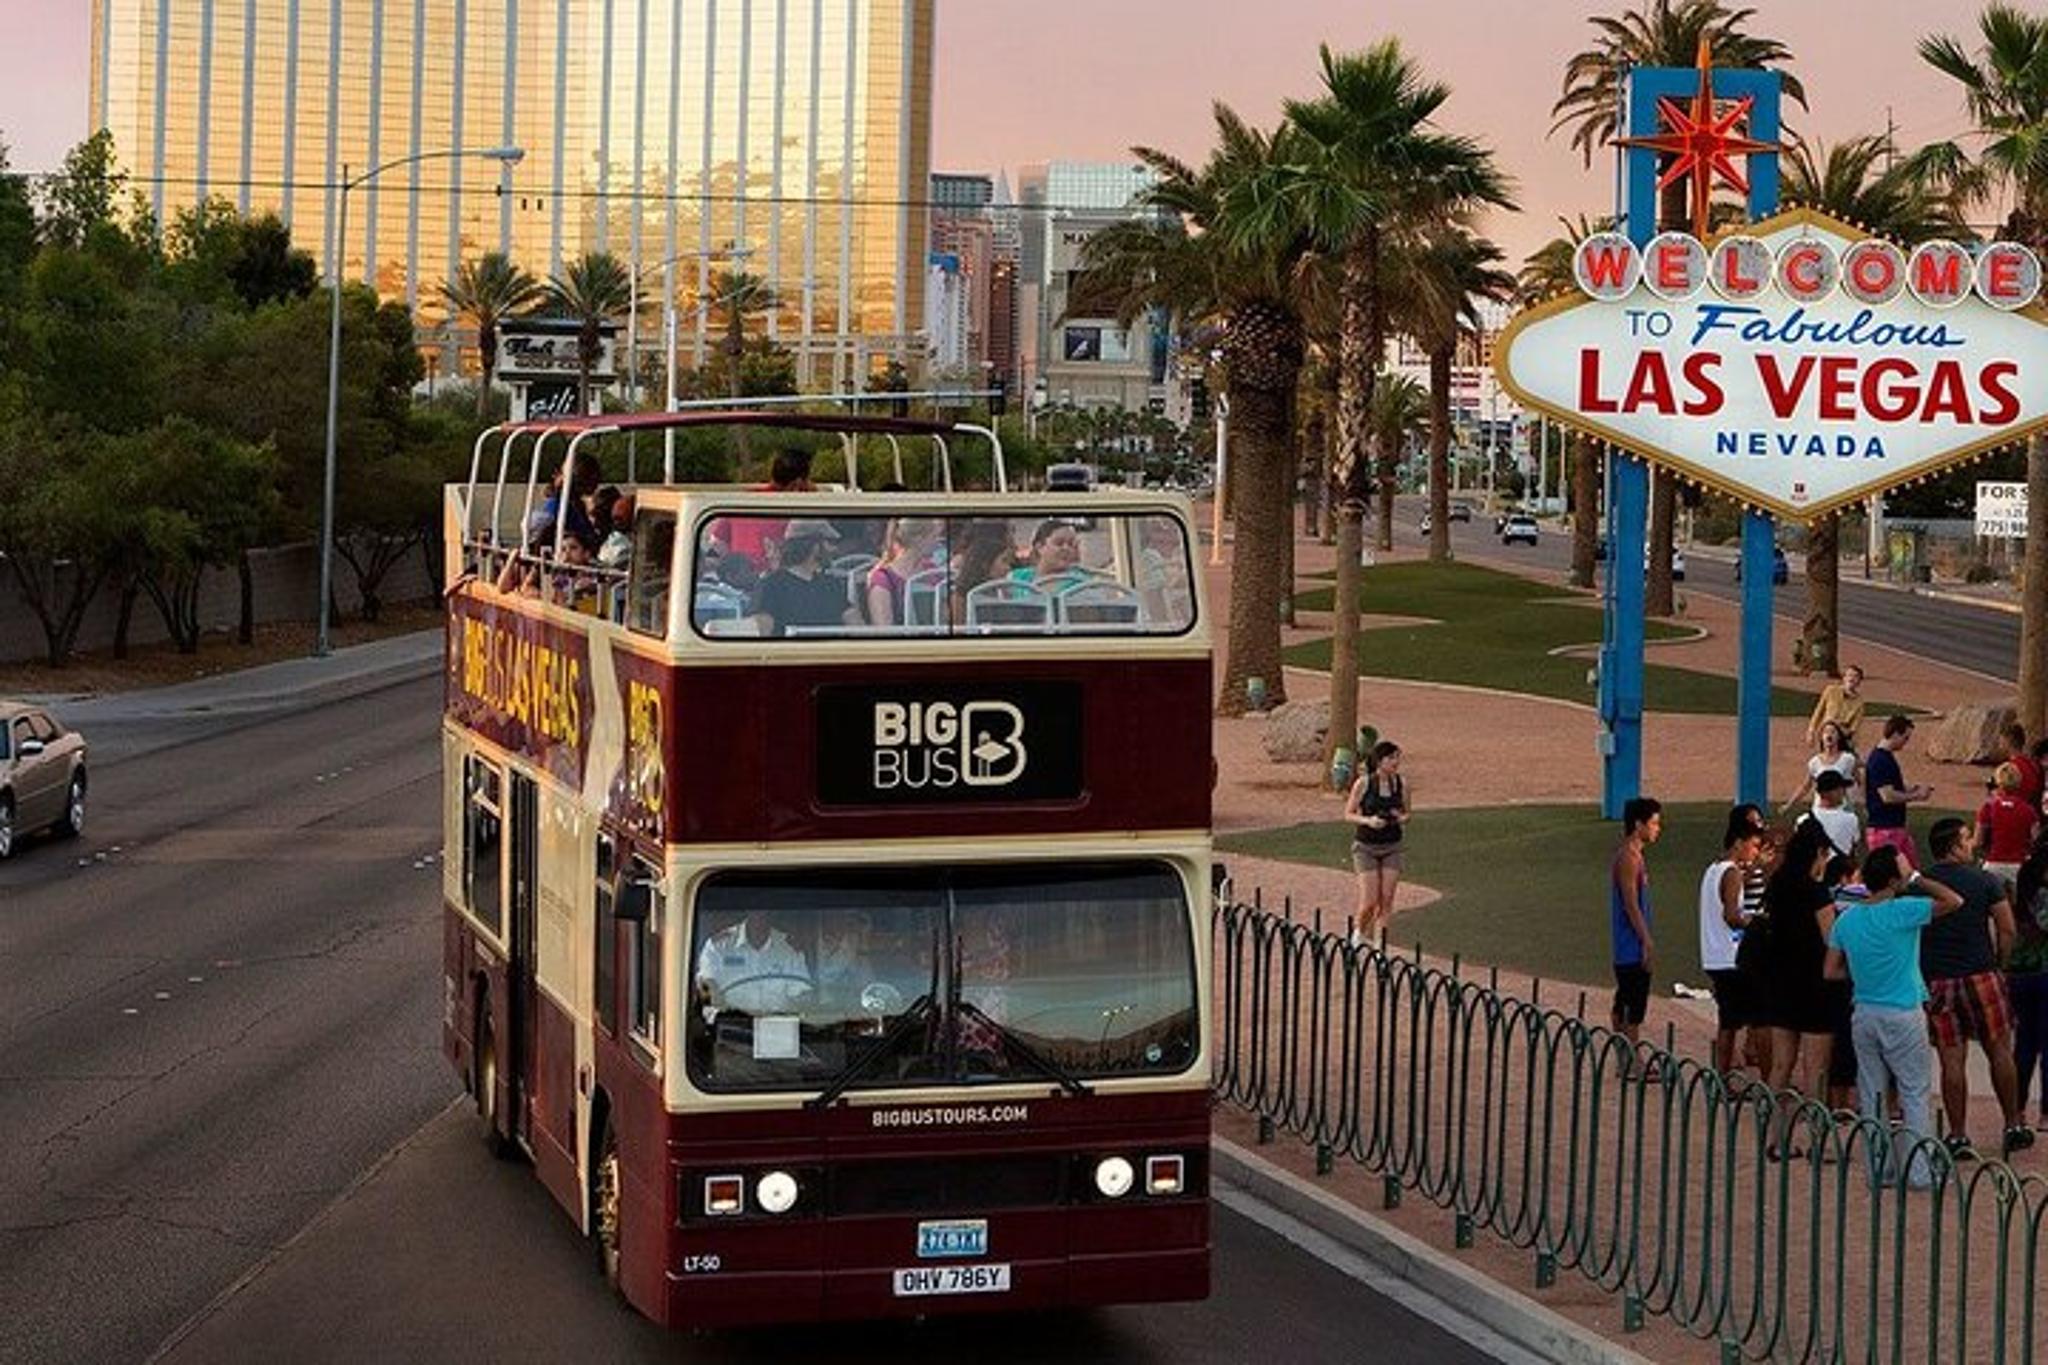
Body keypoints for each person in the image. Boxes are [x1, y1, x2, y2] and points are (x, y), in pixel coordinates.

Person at [1826, 846, 1964, 1189]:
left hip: (1865, 1012)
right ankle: (1919, 1172)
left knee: (1871, 1091)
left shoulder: (1847, 918)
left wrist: (1862, 975)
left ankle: (1879, 1168)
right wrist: (1917, 879)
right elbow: (1953, 901)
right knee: (1914, 1091)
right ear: (1893, 878)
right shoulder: (1905, 910)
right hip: (1903, 1011)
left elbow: (1830, 971)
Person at [1919, 817, 2034, 1160]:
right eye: (1967, 838)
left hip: (1938, 978)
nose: (1973, 843)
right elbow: (2007, 927)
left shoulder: (1922, 884)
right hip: (1981, 973)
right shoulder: (1985, 881)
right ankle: (2013, 1123)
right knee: (1999, 1049)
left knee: (1951, 1059)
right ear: (1954, 845)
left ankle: (1957, 1134)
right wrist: (2001, 962)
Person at [1762, 821, 1847, 1156]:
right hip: (1814, 983)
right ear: (1817, 854)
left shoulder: (1777, 885)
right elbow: (1832, 938)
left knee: (1781, 1064)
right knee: (1816, 1068)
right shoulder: (1816, 892)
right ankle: (1817, 1141)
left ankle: (1775, 1138)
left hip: (1781, 980)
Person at [1699, 807, 1767, 1076]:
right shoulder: (1732, 873)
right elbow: (1732, 916)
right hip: (1733, 957)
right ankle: (1769, 1081)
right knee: (1761, 1019)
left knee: (1728, 1023)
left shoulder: (1712, 870)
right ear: (1739, 842)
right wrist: (1758, 922)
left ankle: (1722, 1077)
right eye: (1752, 846)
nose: (1754, 852)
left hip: (1714, 956)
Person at [1345, 741, 1411, 945]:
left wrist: (1399, 817)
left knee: (1387, 898)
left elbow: (1408, 813)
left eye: (1397, 757)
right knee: (1370, 900)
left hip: (1392, 845)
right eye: (1391, 758)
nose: (1395, 762)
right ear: (1379, 761)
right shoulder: (1364, 783)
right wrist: (1369, 821)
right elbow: (1348, 814)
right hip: (1366, 847)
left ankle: (1380, 944)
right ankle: (1358, 933)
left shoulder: (1401, 784)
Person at [1610, 797, 1663, 1051]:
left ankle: (1625, 1056)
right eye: (1653, 823)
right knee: (1633, 1004)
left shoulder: (1634, 857)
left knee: (1625, 1000)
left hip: (1628, 943)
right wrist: (1646, 940)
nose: (1657, 829)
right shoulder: (1629, 859)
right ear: (1638, 824)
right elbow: (1631, 904)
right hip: (1630, 944)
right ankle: (1632, 1058)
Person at [749, 519, 857, 637]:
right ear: (815, 546)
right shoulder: (770, 586)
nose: (833, 549)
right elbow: (761, 635)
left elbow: (858, 629)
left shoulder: (833, 585)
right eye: (829, 542)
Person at [695, 910, 814, 1015]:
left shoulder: (789, 948)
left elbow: (801, 995)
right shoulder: (719, 946)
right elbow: (706, 987)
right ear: (747, 910)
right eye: (756, 908)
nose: (761, 914)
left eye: (766, 910)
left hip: (778, 1029)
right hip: (730, 1027)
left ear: (772, 913)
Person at [2009, 840, 2048, 1133]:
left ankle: (2017, 1108)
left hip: (2020, 976)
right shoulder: (2043, 897)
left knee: (2024, 1045)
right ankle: (2046, 1113)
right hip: (2044, 973)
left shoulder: (2019, 897)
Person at [1864, 715, 1933, 870]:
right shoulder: (1880, 760)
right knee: (1894, 874)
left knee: (1912, 873)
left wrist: (1913, 788)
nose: (1905, 742)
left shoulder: (1885, 757)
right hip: (1884, 829)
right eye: (1905, 737)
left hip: (1894, 827)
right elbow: (1887, 796)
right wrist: (1917, 796)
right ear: (1895, 734)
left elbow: (1892, 786)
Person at [865, 517, 944, 626]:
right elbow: (883, 629)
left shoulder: (932, 571)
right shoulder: (883, 578)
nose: (938, 543)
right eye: (934, 537)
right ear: (919, 539)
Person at [1977, 762, 2037, 894]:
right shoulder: (2029, 810)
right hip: (2019, 867)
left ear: (1999, 782)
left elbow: (1978, 841)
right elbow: (2035, 841)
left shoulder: (1988, 808)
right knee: (2020, 909)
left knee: (1991, 908)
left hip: (1993, 865)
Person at [1782, 721, 1860, 817]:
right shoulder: (1814, 762)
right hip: (1820, 810)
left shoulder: (1848, 759)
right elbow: (1805, 787)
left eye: (1833, 732)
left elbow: (1860, 781)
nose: (1829, 735)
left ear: (1838, 737)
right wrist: (1789, 805)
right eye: (1826, 732)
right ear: (1821, 738)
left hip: (1843, 809)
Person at [948, 520, 1019, 624]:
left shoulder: (1003, 592)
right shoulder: (960, 598)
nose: (1008, 568)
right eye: (1004, 561)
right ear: (985, 565)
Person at [1009, 519, 1095, 594]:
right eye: (1059, 543)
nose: (1066, 549)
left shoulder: (1082, 582)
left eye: (1071, 544)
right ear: (1040, 547)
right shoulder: (1017, 577)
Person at [1800, 770, 1862, 861]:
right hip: (1840, 871)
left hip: (1813, 870)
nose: (1843, 792)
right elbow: (1854, 846)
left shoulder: (1802, 820)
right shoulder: (1851, 819)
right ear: (1825, 793)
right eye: (1839, 789)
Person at [1806, 664, 1867, 751]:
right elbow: (1818, 712)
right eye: (1849, 675)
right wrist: (1811, 731)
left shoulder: (1859, 702)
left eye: (1856, 676)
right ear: (1844, 678)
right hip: (1825, 732)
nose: (1852, 679)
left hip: (1842, 736)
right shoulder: (1830, 691)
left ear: (1859, 682)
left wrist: (1850, 738)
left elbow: (1854, 727)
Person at [2001, 723, 2043, 812]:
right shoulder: (2033, 764)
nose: (2000, 743)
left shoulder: (2010, 768)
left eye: (2002, 739)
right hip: (2031, 812)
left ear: (2008, 741)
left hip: (2015, 811)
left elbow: (2003, 798)